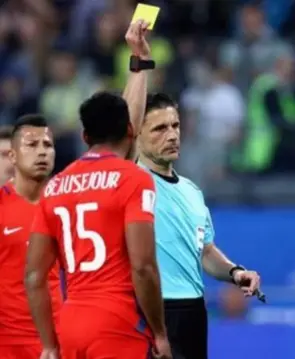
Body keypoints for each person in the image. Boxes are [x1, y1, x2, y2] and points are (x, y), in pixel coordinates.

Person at [24, 92, 172, 359]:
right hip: (119, 324)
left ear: (85, 137)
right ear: (131, 130)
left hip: (71, 326)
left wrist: (48, 345)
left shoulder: (55, 186)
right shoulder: (133, 179)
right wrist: (160, 332)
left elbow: (34, 277)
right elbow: (143, 266)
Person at [136, 92, 261, 359]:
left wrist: (235, 273)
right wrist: (140, 67)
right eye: (160, 128)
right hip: (149, 311)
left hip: (193, 311)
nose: (172, 135)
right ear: (135, 135)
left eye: (175, 126)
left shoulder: (192, 191)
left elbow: (204, 251)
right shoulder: (131, 181)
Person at [0, 115, 60, 359]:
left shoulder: (67, 203)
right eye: (32, 145)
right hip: (10, 343)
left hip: (61, 338)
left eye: (47, 145)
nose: (42, 152)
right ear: (13, 156)